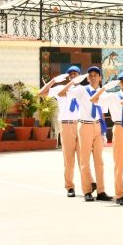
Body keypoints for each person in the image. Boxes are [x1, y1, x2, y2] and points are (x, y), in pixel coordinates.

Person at [57, 66, 112, 202]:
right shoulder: (81, 90)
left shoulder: (102, 93)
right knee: (85, 160)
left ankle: (101, 190)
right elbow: (61, 93)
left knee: (99, 161)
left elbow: (102, 113)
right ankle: (87, 190)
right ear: (87, 78)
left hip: (97, 126)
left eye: (96, 75)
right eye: (90, 75)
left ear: (100, 77)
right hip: (84, 125)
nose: (93, 77)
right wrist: (74, 82)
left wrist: (104, 132)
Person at [90, 71, 123, 206]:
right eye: (122, 80)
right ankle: (119, 194)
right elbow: (94, 100)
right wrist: (104, 88)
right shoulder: (112, 96)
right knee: (119, 163)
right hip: (119, 128)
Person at [39, 65, 81, 197]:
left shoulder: (83, 89)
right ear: (68, 76)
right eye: (71, 73)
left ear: (80, 75)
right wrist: (53, 81)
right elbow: (42, 93)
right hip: (67, 125)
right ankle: (69, 186)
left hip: (81, 125)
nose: (73, 75)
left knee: (83, 158)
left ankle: (88, 185)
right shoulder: (60, 89)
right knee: (69, 159)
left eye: (75, 73)